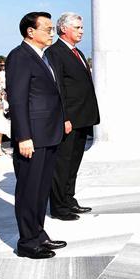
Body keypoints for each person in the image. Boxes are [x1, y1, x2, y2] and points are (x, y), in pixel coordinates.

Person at [6, 12, 67, 259]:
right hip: (32, 136)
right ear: (31, 31)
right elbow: (18, 100)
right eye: (48, 29)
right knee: (29, 189)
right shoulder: (19, 57)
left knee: (42, 189)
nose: (52, 33)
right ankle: (28, 242)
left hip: (49, 133)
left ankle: (39, 233)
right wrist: (23, 136)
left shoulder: (43, 57)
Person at [48, 13, 100, 220]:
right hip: (69, 119)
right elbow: (58, 87)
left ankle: (69, 199)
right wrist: (64, 117)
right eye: (77, 27)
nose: (82, 31)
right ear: (64, 29)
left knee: (73, 164)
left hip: (82, 118)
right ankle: (59, 207)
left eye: (81, 27)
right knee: (62, 164)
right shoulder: (55, 52)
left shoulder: (75, 52)